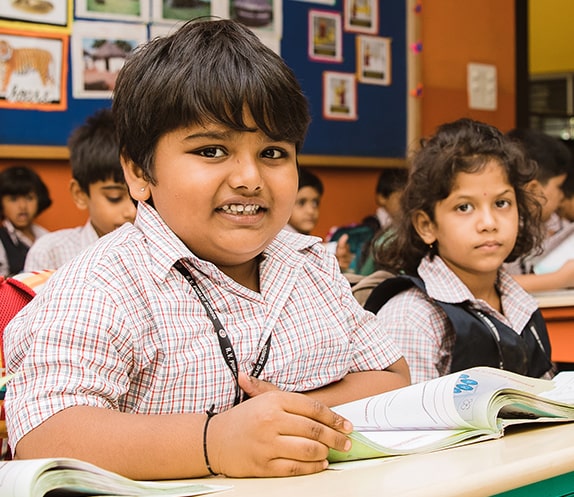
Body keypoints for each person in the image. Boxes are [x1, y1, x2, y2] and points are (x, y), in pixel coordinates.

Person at [4, 19, 409, 481]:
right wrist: (215, 441)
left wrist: (291, 416)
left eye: (273, 153)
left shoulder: (308, 265)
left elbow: (391, 376)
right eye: (212, 150)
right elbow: (44, 437)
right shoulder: (104, 284)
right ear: (139, 173)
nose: (249, 178)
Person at [368, 118, 553, 384]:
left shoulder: (518, 301)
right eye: (464, 207)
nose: (489, 223)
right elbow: (411, 420)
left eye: (502, 203)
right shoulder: (413, 316)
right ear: (426, 225)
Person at [24, 108, 137, 272]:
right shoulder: (50, 254)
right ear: (80, 194)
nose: (132, 211)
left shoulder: (159, 253)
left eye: (140, 197)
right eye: (115, 197)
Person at [503, 128, 574, 292]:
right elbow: (485, 288)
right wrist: (560, 279)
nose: (561, 196)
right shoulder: (499, 228)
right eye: (558, 187)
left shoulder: (549, 222)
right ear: (534, 189)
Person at [285, 167, 354, 272]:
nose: (311, 211)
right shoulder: (278, 241)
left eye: (315, 203)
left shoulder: (310, 242)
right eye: (301, 202)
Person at [0, 166, 52, 277]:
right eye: (13, 200)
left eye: (29, 198)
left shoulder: (46, 236)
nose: (22, 206)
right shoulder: (2, 240)